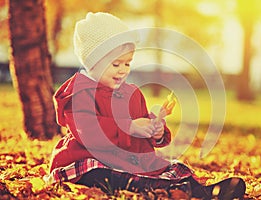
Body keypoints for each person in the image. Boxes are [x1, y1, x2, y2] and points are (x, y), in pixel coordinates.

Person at [45, 12, 246, 199]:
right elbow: (90, 134)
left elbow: (142, 132)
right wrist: (130, 126)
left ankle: (200, 191)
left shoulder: (130, 93)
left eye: (128, 63)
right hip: (88, 158)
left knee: (171, 167)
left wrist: (154, 130)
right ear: (92, 61)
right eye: (116, 64)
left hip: (127, 160)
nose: (123, 70)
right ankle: (159, 188)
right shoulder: (80, 93)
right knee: (100, 172)